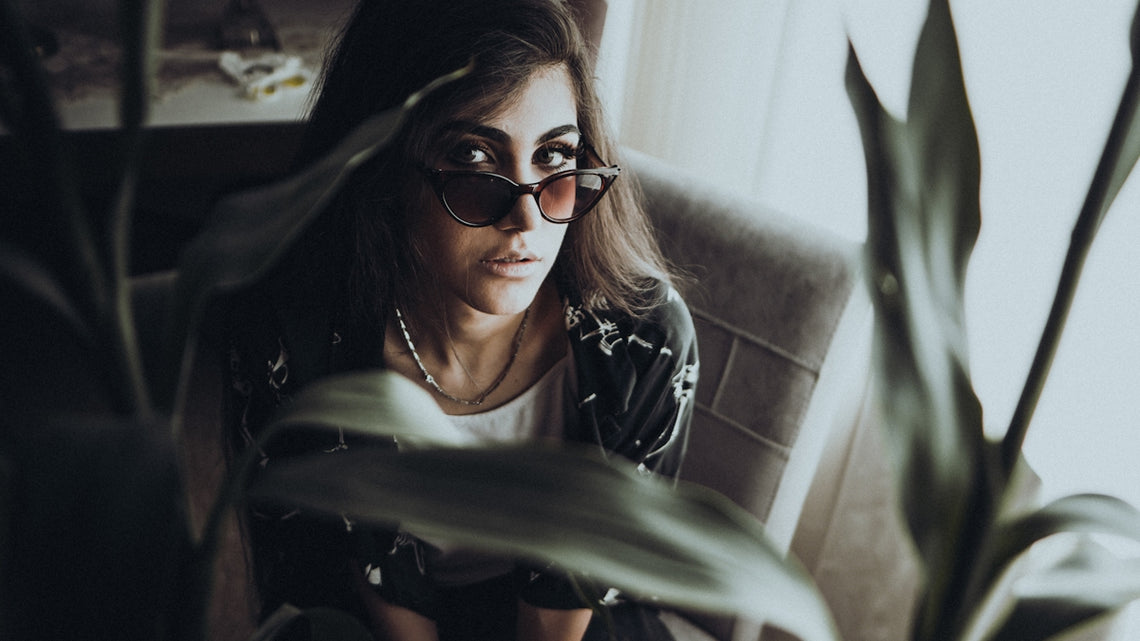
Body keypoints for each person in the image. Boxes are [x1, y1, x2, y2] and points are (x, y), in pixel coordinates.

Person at [222, 1, 699, 639]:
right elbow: (324, 577)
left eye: (555, 159)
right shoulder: (293, 342)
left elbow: (559, 621)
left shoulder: (644, 343)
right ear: (384, 170)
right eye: (475, 160)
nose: (528, 220)